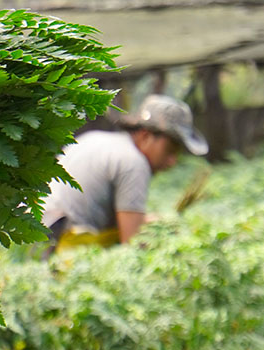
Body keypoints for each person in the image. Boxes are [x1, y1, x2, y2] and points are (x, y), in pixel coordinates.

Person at [41, 94, 208, 253]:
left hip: (32, 235)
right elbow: (131, 244)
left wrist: (154, 221)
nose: (173, 161)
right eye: (170, 150)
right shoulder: (134, 163)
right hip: (57, 246)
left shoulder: (96, 139)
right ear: (145, 136)